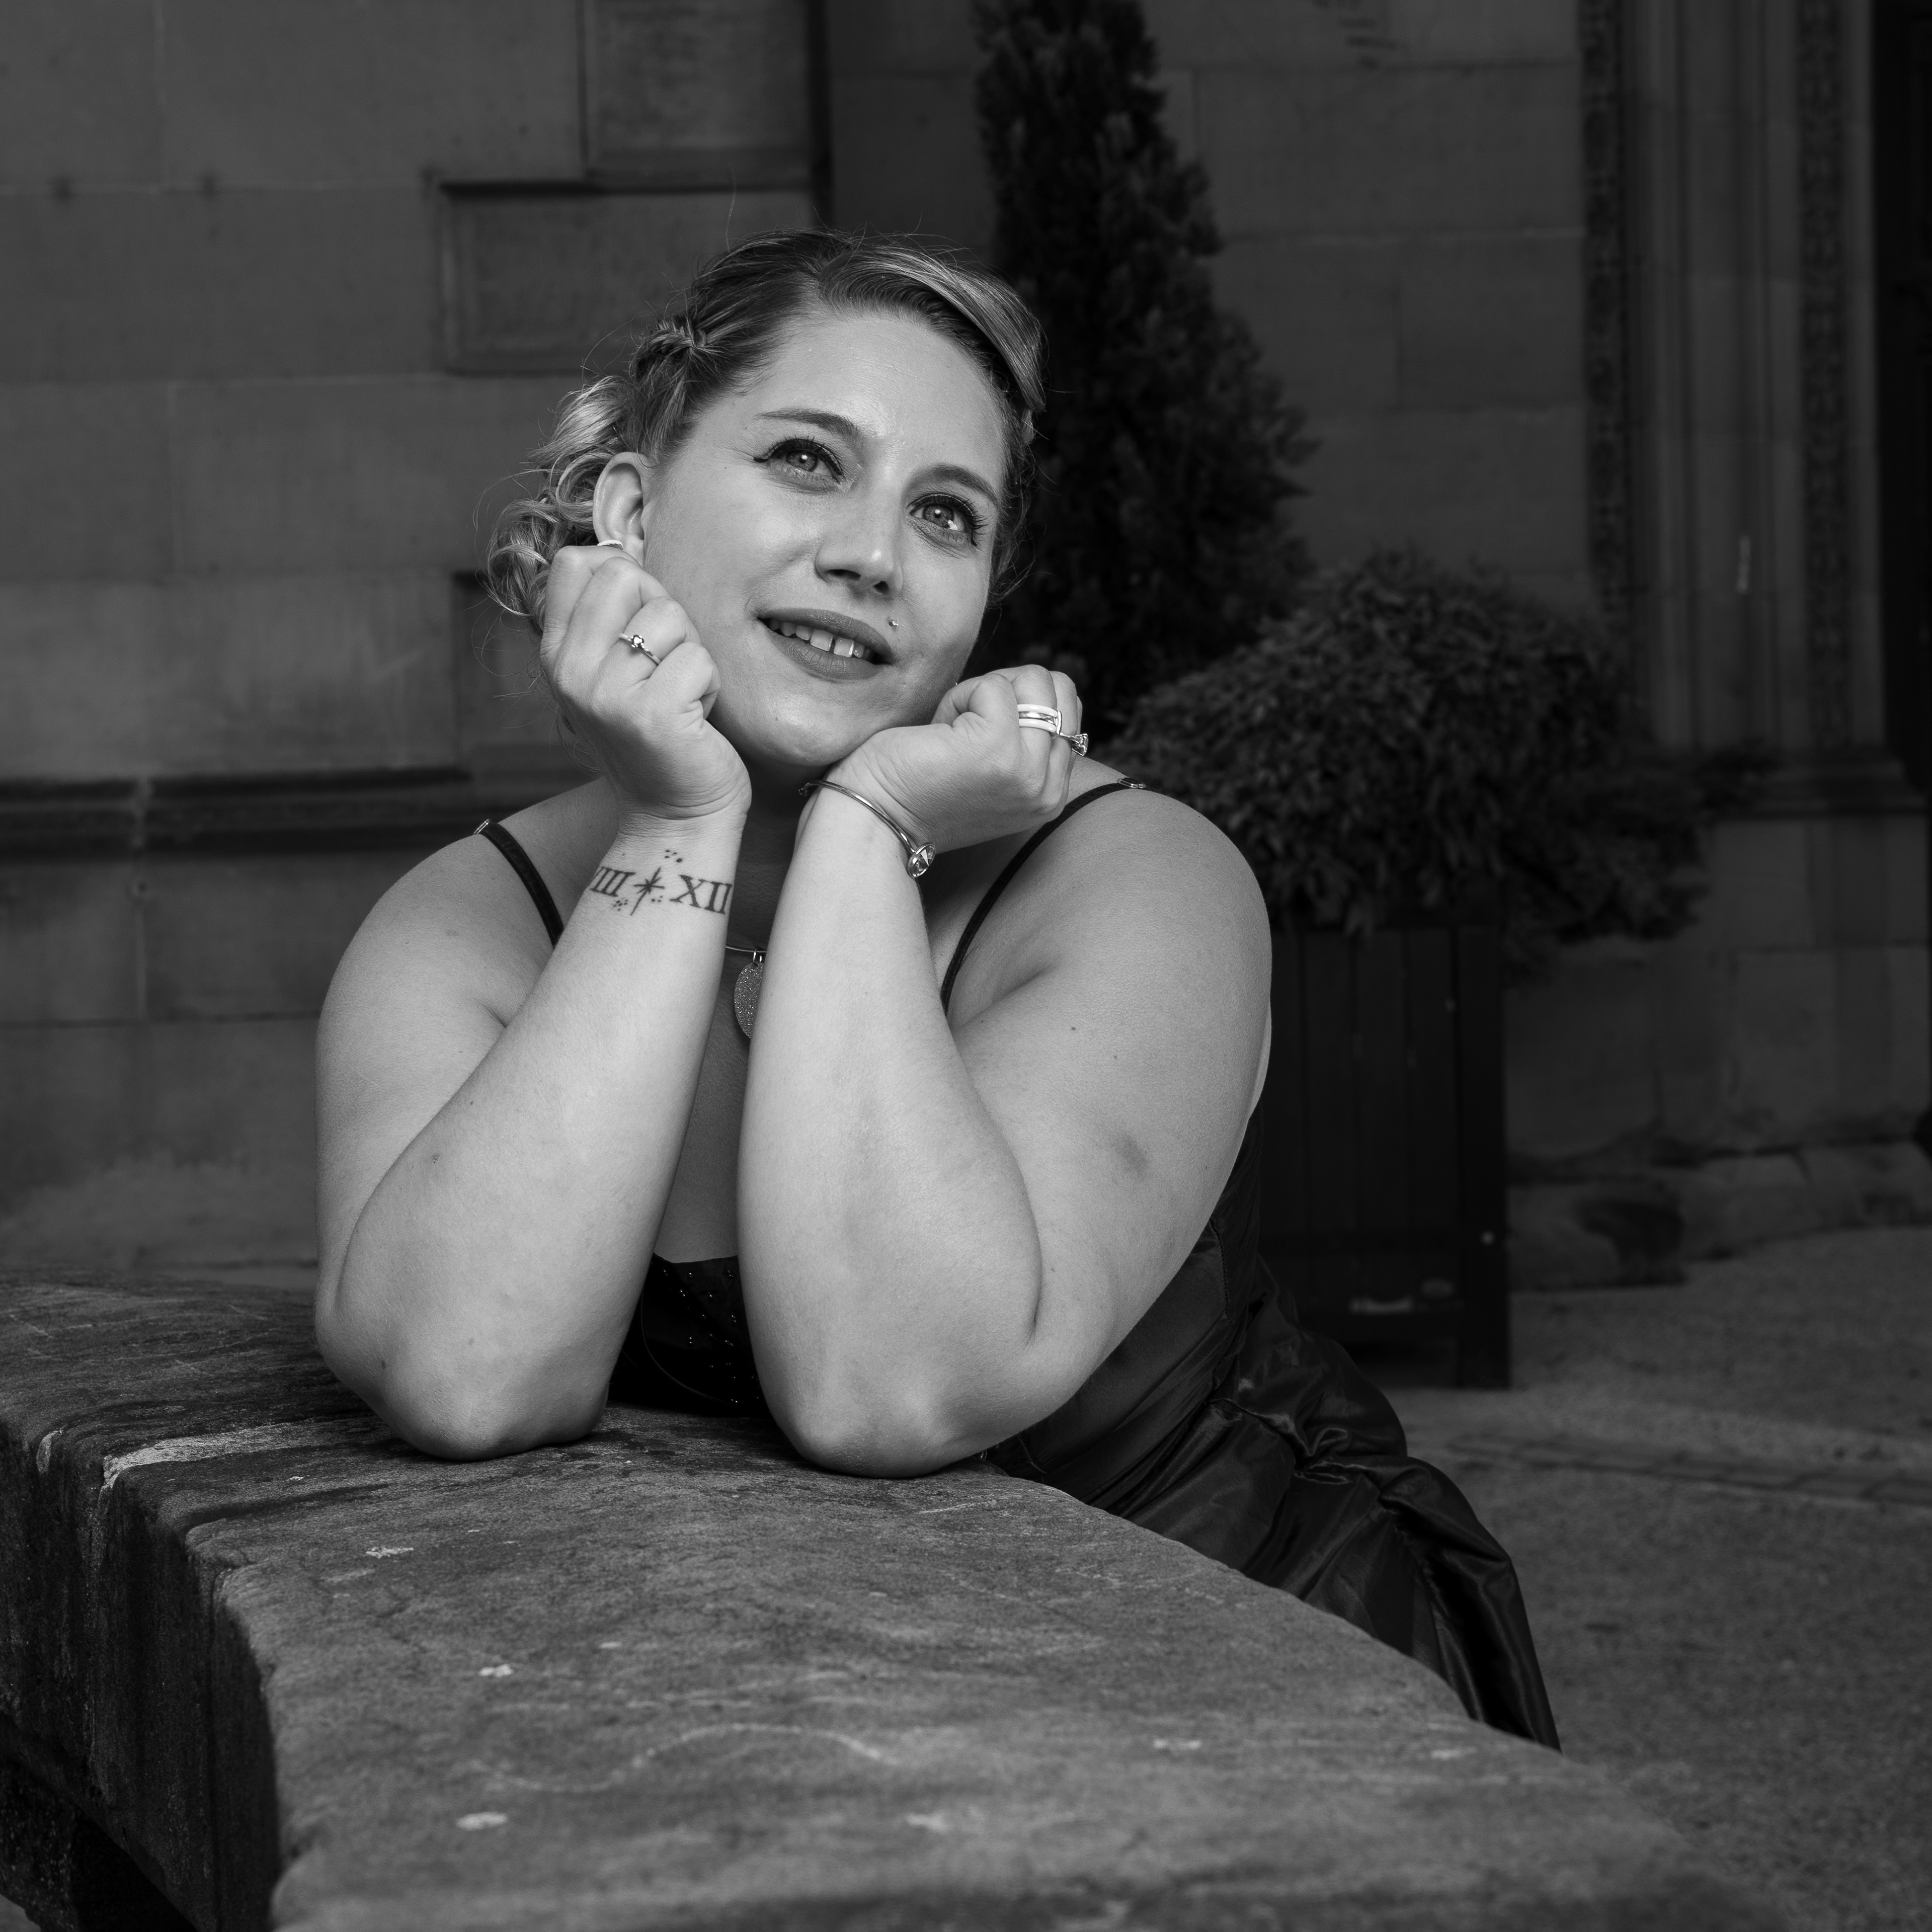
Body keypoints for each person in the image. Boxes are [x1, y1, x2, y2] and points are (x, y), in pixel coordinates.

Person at [314, 229, 1557, 1747]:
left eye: (945, 513)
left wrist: (869, 828)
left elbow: (887, 1386)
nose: (872, 555)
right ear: (631, 509)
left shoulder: (1142, 879)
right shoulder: (471, 923)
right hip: (805, 1732)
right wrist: (681, 819)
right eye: (807, 461)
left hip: (1248, 1690)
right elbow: (463, 1371)